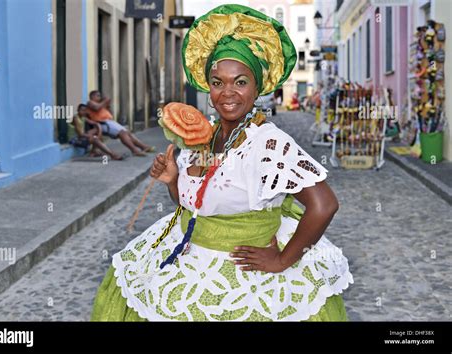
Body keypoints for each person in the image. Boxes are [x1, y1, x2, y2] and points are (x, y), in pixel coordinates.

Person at [91, 4, 353, 321]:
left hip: (245, 281)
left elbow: (324, 205)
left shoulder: (268, 144)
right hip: (189, 261)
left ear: (258, 87)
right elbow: (195, 204)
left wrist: (282, 260)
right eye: (218, 82)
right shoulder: (203, 137)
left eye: (240, 82)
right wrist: (173, 180)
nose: (227, 93)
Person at [86, 90, 156, 156]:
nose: (100, 97)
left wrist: (107, 105)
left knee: (127, 133)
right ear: (92, 96)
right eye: (98, 96)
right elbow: (96, 108)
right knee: (122, 133)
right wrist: (105, 101)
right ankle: (134, 150)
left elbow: (109, 113)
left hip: (109, 122)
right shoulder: (90, 103)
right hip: (103, 123)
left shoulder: (100, 104)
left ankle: (143, 147)